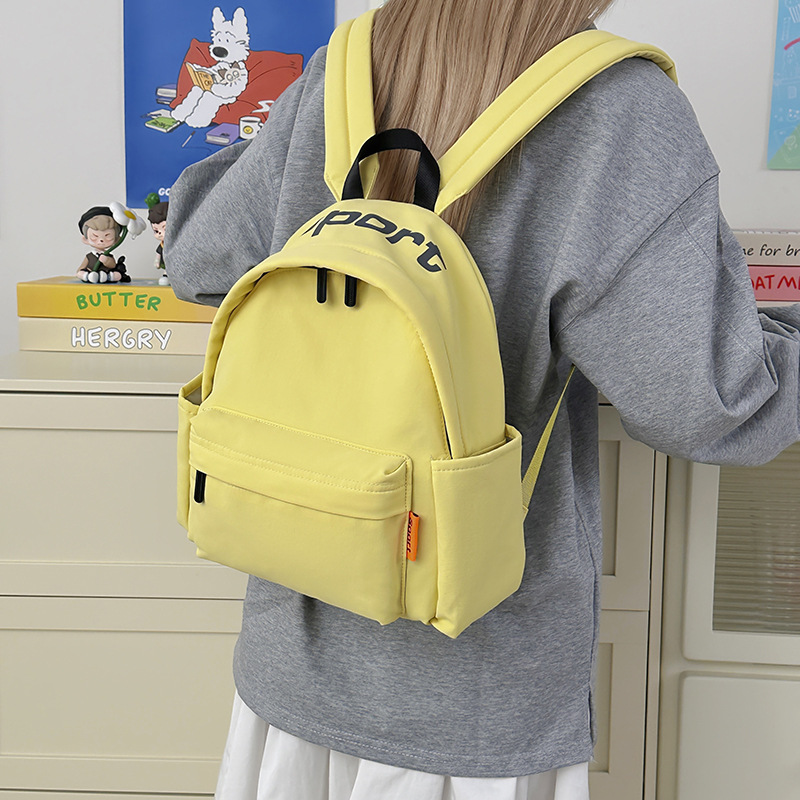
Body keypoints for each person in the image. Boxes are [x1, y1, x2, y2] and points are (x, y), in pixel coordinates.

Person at [165, 0, 800, 797]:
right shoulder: (617, 109)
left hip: (293, 655)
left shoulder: (347, 68)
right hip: (476, 692)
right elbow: (711, 403)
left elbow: (197, 252)